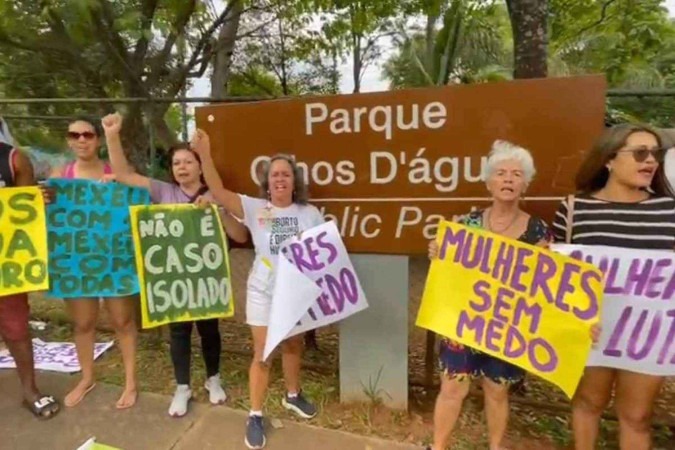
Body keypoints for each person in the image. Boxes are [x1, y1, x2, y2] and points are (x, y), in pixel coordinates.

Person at [101, 113, 249, 417]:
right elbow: (124, 175)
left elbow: (241, 235)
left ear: (200, 166)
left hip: (206, 277)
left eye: (188, 162)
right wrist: (112, 135)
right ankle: (182, 386)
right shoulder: (163, 191)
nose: (182, 167)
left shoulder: (215, 195)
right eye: (176, 163)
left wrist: (218, 212)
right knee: (178, 331)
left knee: (210, 330)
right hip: (172, 279)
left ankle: (213, 379)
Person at [191, 131, 324, 450]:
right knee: (263, 354)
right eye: (274, 174)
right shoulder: (254, 207)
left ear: (295, 181)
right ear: (267, 181)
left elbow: (324, 256)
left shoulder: (310, 214)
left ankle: (293, 395)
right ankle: (255, 414)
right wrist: (205, 154)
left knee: (293, 345)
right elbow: (220, 192)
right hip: (262, 292)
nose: (280, 179)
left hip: (295, 293)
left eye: (286, 174)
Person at [552, 123, 675, 450]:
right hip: (590, 331)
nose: (650, 161)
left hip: (647, 336)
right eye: (639, 153)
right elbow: (554, 272)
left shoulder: (669, 210)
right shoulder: (575, 209)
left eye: (655, 154)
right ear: (608, 159)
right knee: (588, 403)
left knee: (637, 416)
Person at [425, 140, 553, 450]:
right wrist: (438, 254)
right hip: (464, 321)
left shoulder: (539, 233)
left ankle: (496, 447)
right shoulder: (464, 225)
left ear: (525, 183)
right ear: (488, 181)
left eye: (516, 174)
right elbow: (447, 274)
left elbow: (546, 288)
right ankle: (438, 446)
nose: (508, 179)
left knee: (497, 390)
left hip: (506, 325)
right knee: (452, 387)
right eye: (501, 173)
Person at [49, 116, 136, 409]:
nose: (82, 140)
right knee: (83, 323)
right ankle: (87, 377)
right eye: (75, 135)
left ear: (97, 139)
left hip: (114, 260)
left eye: (88, 134)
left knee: (122, 321)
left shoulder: (116, 172)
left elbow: (136, 192)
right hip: (76, 264)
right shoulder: (60, 175)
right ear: (68, 140)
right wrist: (44, 199)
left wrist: (119, 184)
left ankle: (130, 383)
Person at [0, 139, 61, 419]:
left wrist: (39, 198)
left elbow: (26, 209)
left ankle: (30, 391)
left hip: (6, 262)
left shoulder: (14, 160)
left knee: (16, 327)